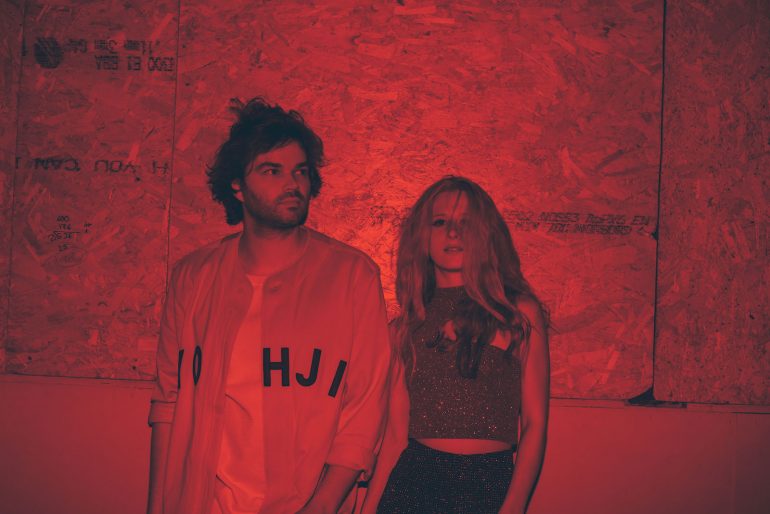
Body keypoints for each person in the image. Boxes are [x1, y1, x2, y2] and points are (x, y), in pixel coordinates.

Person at [146, 98, 392, 514]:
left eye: (300, 171)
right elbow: (168, 404)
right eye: (271, 170)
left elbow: (365, 410)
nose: (292, 183)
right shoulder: (193, 277)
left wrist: (323, 505)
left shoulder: (352, 276)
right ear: (237, 186)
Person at [363, 176, 550, 514]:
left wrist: (514, 505)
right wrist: (367, 509)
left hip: (490, 483)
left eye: (466, 222)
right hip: (413, 484)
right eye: (440, 222)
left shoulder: (518, 313)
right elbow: (394, 437)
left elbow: (535, 424)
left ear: (485, 234)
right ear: (422, 236)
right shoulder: (404, 329)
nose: (453, 232)